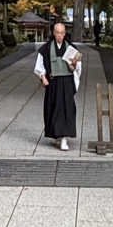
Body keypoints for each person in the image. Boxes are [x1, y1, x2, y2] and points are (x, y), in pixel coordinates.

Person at [33, 20, 81, 151]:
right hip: (53, 82)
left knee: (66, 109)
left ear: (65, 34)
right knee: (53, 109)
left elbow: (76, 69)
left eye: (62, 33)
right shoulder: (46, 48)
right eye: (57, 33)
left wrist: (73, 65)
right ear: (53, 33)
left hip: (67, 83)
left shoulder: (72, 49)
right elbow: (39, 66)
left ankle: (64, 138)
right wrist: (43, 77)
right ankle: (56, 135)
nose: (59, 35)